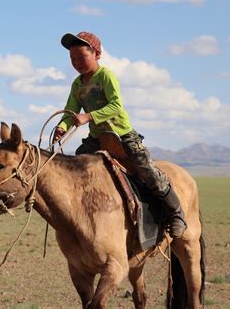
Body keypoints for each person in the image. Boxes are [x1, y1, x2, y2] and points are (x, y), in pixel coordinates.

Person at [54, 31, 186, 238]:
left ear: (96, 54)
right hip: (97, 139)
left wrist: (88, 116)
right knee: (76, 166)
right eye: (72, 58)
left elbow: (116, 105)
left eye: (81, 57)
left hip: (121, 135)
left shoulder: (105, 76)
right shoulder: (77, 85)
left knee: (146, 169)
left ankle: (176, 213)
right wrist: (62, 127)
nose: (76, 62)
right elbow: (70, 111)